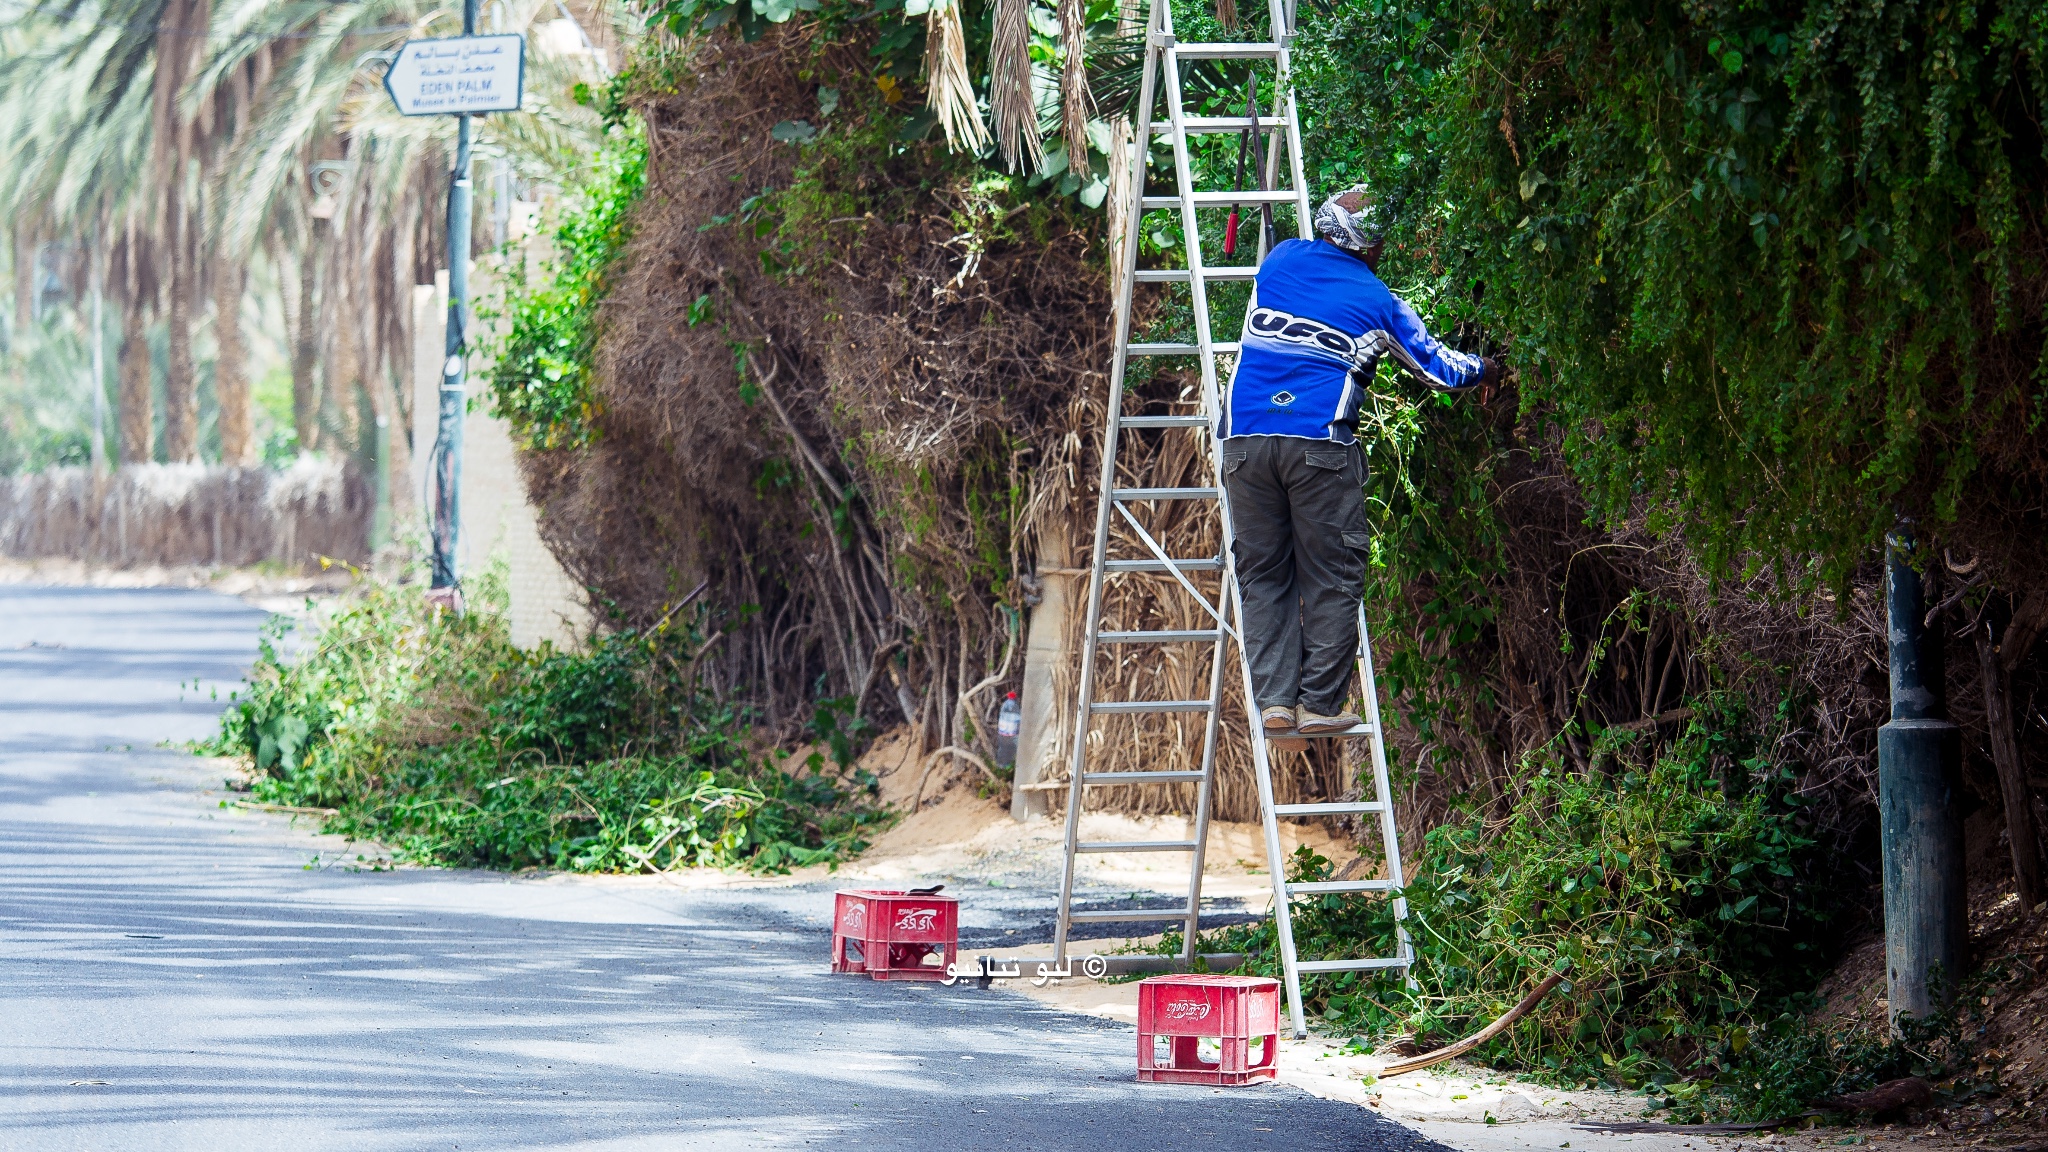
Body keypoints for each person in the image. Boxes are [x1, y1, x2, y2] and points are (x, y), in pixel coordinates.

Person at [1219, 186, 1500, 739]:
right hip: (1318, 447)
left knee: (1263, 574)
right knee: (1331, 572)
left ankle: (1275, 703)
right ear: (1368, 245)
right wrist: (1489, 368)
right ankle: (1319, 705)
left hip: (1245, 443)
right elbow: (1438, 369)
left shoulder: (1278, 263)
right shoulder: (1377, 300)